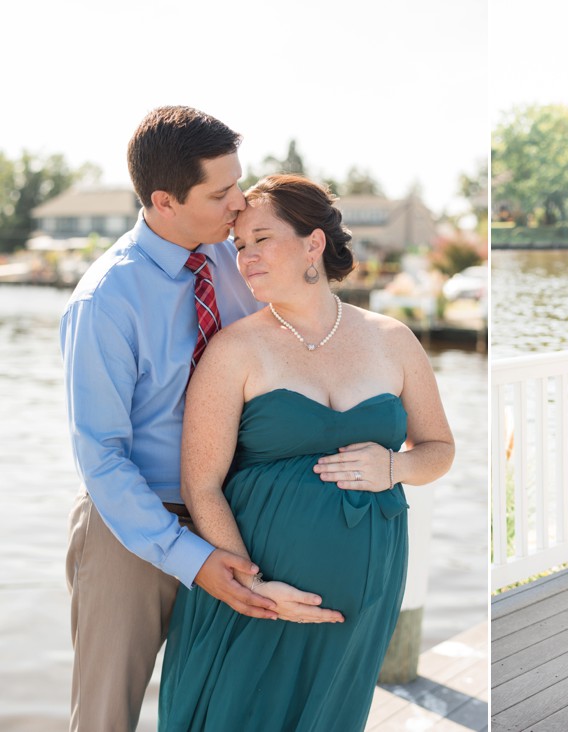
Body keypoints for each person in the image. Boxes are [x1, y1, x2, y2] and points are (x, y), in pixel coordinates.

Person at [60, 106, 331, 732]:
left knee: (222, 709)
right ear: (164, 200)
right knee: (106, 718)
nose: (239, 203)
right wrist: (188, 556)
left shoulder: (239, 268)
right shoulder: (105, 302)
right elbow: (101, 456)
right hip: (132, 532)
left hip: (237, 525)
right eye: (220, 193)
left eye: (238, 182)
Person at [158, 174, 455, 731]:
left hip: (361, 597)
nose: (245, 258)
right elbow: (201, 485)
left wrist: (394, 466)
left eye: (262, 239)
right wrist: (253, 587)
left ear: (313, 243)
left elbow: (439, 450)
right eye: (239, 246)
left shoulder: (392, 339)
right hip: (254, 596)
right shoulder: (233, 349)